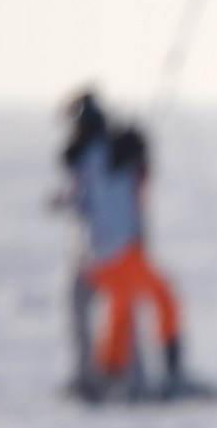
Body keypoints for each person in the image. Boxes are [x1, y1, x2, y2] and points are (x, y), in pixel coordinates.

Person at [51, 88, 184, 395]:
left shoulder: (82, 158)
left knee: (122, 305)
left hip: (93, 255)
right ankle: (168, 374)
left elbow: (75, 199)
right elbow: (132, 173)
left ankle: (111, 374)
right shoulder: (115, 152)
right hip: (119, 251)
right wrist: (138, 147)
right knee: (164, 298)